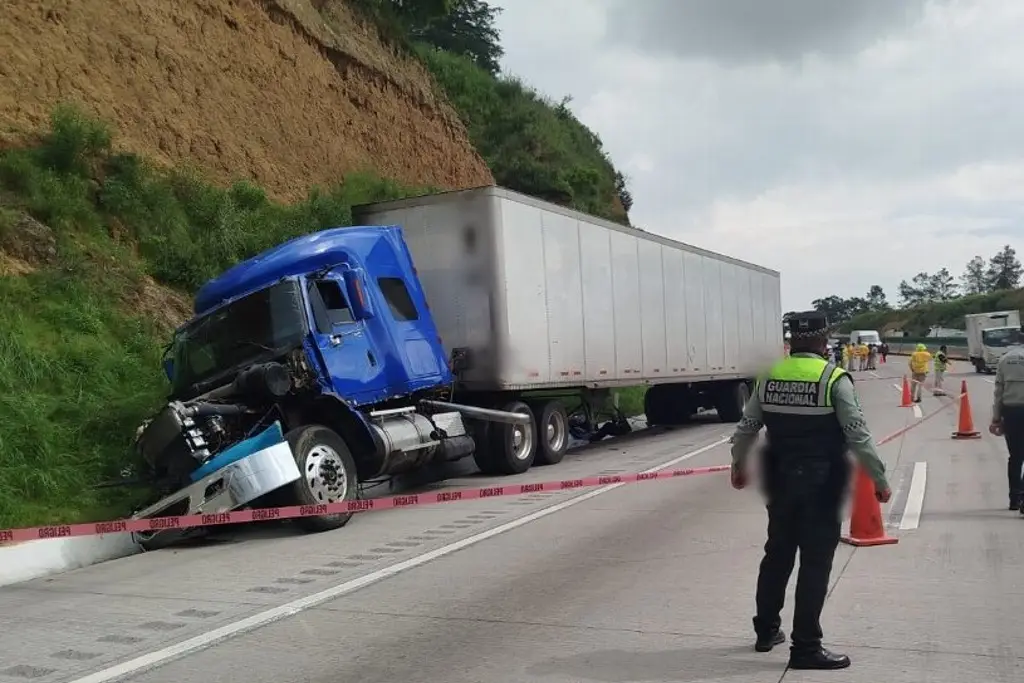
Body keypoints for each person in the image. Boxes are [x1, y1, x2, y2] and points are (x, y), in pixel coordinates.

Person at [729, 311, 892, 671]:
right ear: (822, 342)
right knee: (815, 563)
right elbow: (857, 434)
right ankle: (806, 647)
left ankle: (766, 631)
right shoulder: (833, 378)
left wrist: (738, 465)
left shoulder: (769, 376)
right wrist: (878, 479)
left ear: (792, 342)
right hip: (821, 480)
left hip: (779, 479)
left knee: (777, 555)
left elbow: (746, 428)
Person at [988, 328, 1024, 512]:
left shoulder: (1005, 359)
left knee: (1016, 457)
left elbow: (998, 393)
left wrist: (996, 418)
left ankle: (1014, 498)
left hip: (1011, 412)